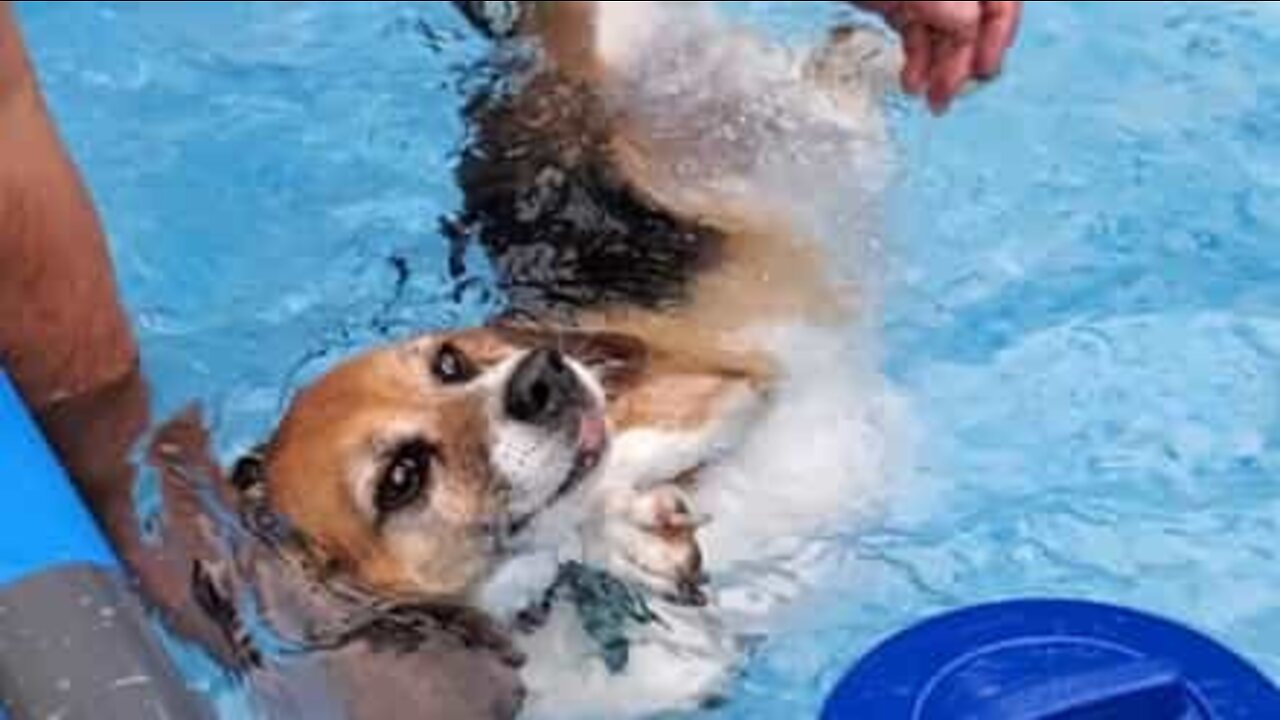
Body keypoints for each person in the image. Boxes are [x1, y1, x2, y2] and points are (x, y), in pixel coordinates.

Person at [0, 0, 1020, 582]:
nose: (509, 386)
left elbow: (733, 386)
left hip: (705, 196)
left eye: (453, 364)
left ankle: (828, 79)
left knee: (603, 43)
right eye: (401, 478)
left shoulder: (619, 403)